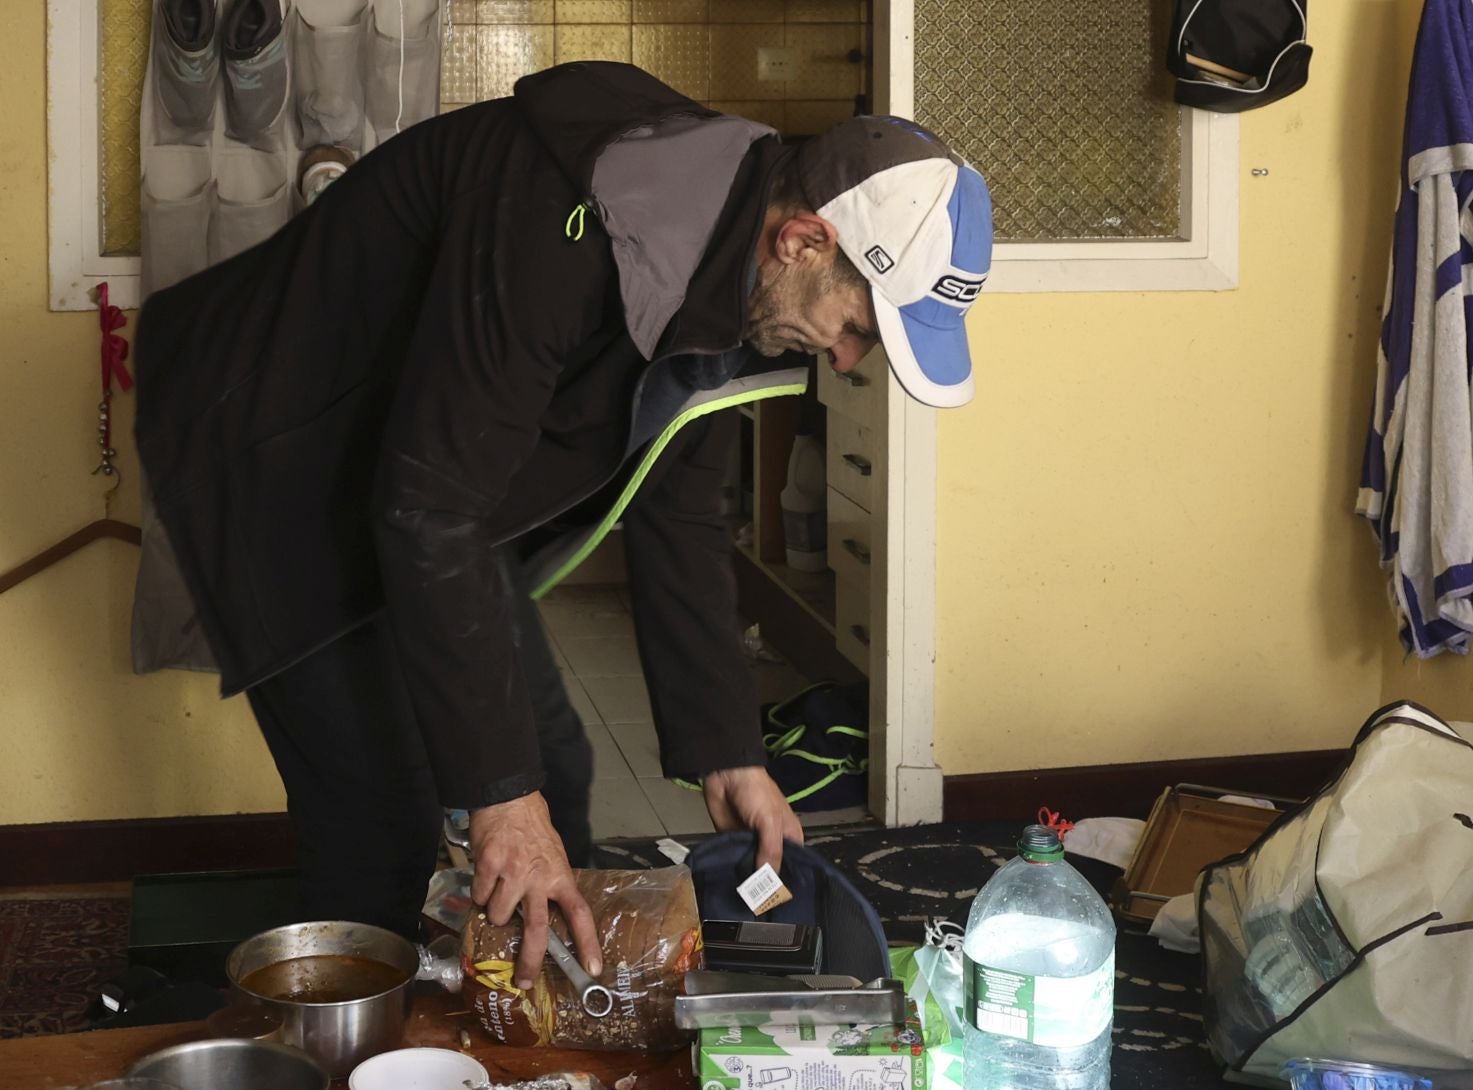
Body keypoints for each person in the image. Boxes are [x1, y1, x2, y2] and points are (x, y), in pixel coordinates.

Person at [133, 61, 992, 989]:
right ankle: (341, 1085)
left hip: (420, 471)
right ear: (804, 240)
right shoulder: (572, 221)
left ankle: (540, 1020)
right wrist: (497, 799)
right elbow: (426, 508)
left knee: (552, 765)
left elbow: (681, 510)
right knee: (382, 812)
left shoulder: (733, 265)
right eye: (860, 323)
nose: (852, 356)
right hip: (279, 452)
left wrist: (728, 748)